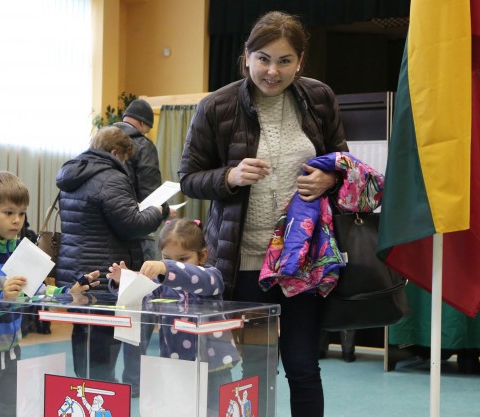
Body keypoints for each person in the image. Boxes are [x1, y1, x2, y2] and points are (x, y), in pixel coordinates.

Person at [178, 11, 349, 417]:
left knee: (303, 367)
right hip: (246, 265)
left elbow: (343, 163)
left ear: (300, 61)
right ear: (247, 56)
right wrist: (230, 176)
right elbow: (188, 178)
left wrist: (330, 178)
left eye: (285, 61)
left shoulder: (319, 98)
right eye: (264, 59)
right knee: (255, 368)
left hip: (302, 261)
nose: (273, 71)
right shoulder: (216, 106)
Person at [0, 171, 93, 417]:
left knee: (11, 411)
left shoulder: (18, 251)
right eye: (8, 213)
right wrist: (1, 298)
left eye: (21, 213)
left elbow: (38, 290)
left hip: (10, 350)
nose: (17, 220)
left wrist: (68, 292)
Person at [55, 126, 163, 384]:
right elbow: (131, 225)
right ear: (115, 152)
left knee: (83, 334)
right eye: (124, 159)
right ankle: (102, 394)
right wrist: (157, 212)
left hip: (75, 270)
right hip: (104, 273)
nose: (124, 164)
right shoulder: (111, 178)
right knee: (103, 342)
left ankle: (84, 389)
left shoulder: (72, 174)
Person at [107, 218, 240, 417]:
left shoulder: (212, 277)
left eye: (183, 259)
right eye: (167, 258)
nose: (173, 265)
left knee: (215, 411)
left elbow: (196, 278)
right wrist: (124, 281)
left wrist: (166, 267)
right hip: (176, 364)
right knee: (180, 410)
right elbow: (142, 300)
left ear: (202, 255)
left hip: (214, 366)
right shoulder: (161, 285)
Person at [112, 99, 176, 394]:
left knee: (115, 306)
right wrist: (165, 211)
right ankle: (135, 380)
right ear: (143, 124)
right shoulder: (142, 144)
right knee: (142, 306)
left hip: (108, 238)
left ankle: (102, 379)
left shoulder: (100, 139)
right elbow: (151, 197)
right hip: (139, 237)